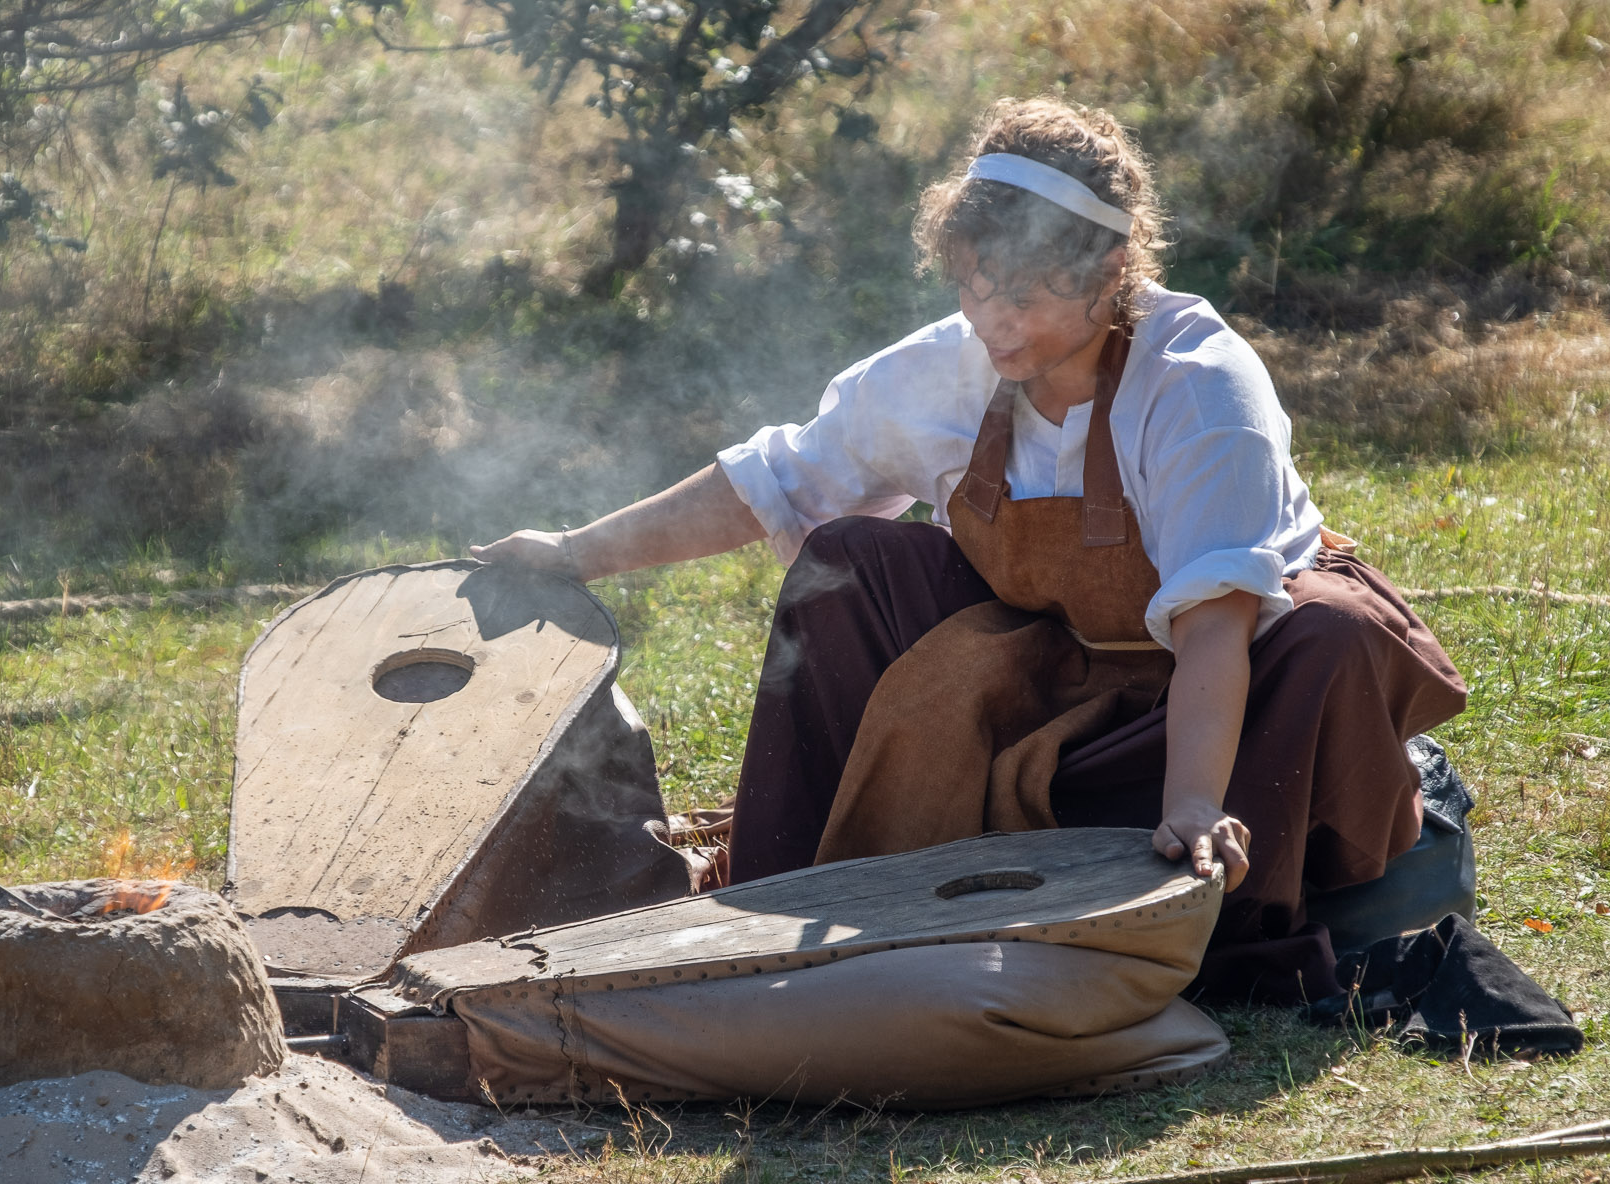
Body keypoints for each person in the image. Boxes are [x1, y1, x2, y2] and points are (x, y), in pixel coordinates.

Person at [471, 98, 1467, 1004]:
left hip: (1222, 689)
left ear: (1109, 274)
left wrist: (1195, 801)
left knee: (1326, 640)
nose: (992, 317)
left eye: (1025, 293)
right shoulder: (949, 367)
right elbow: (768, 483)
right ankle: (777, 893)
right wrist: (569, 551)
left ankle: (1218, 921)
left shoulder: (1199, 387)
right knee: (850, 560)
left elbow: (1212, 625)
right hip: (1050, 681)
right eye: (973, 285)